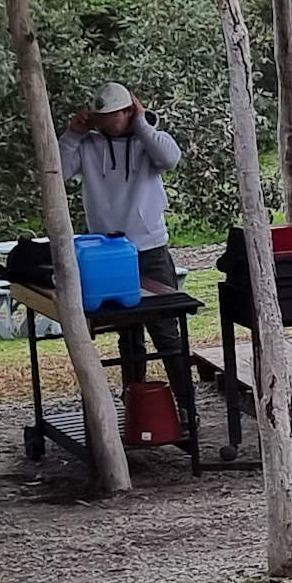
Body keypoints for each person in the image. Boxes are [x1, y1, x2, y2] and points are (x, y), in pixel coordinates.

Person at [67, 84, 190, 396]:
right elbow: (58, 169)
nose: (111, 122)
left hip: (149, 247)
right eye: (104, 116)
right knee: (128, 332)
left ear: (129, 111)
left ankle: (186, 406)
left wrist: (142, 123)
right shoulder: (88, 145)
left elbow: (170, 158)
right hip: (107, 254)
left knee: (166, 332)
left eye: (117, 115)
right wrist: (73, 134)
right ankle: (135, 401)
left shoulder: (147, 142)